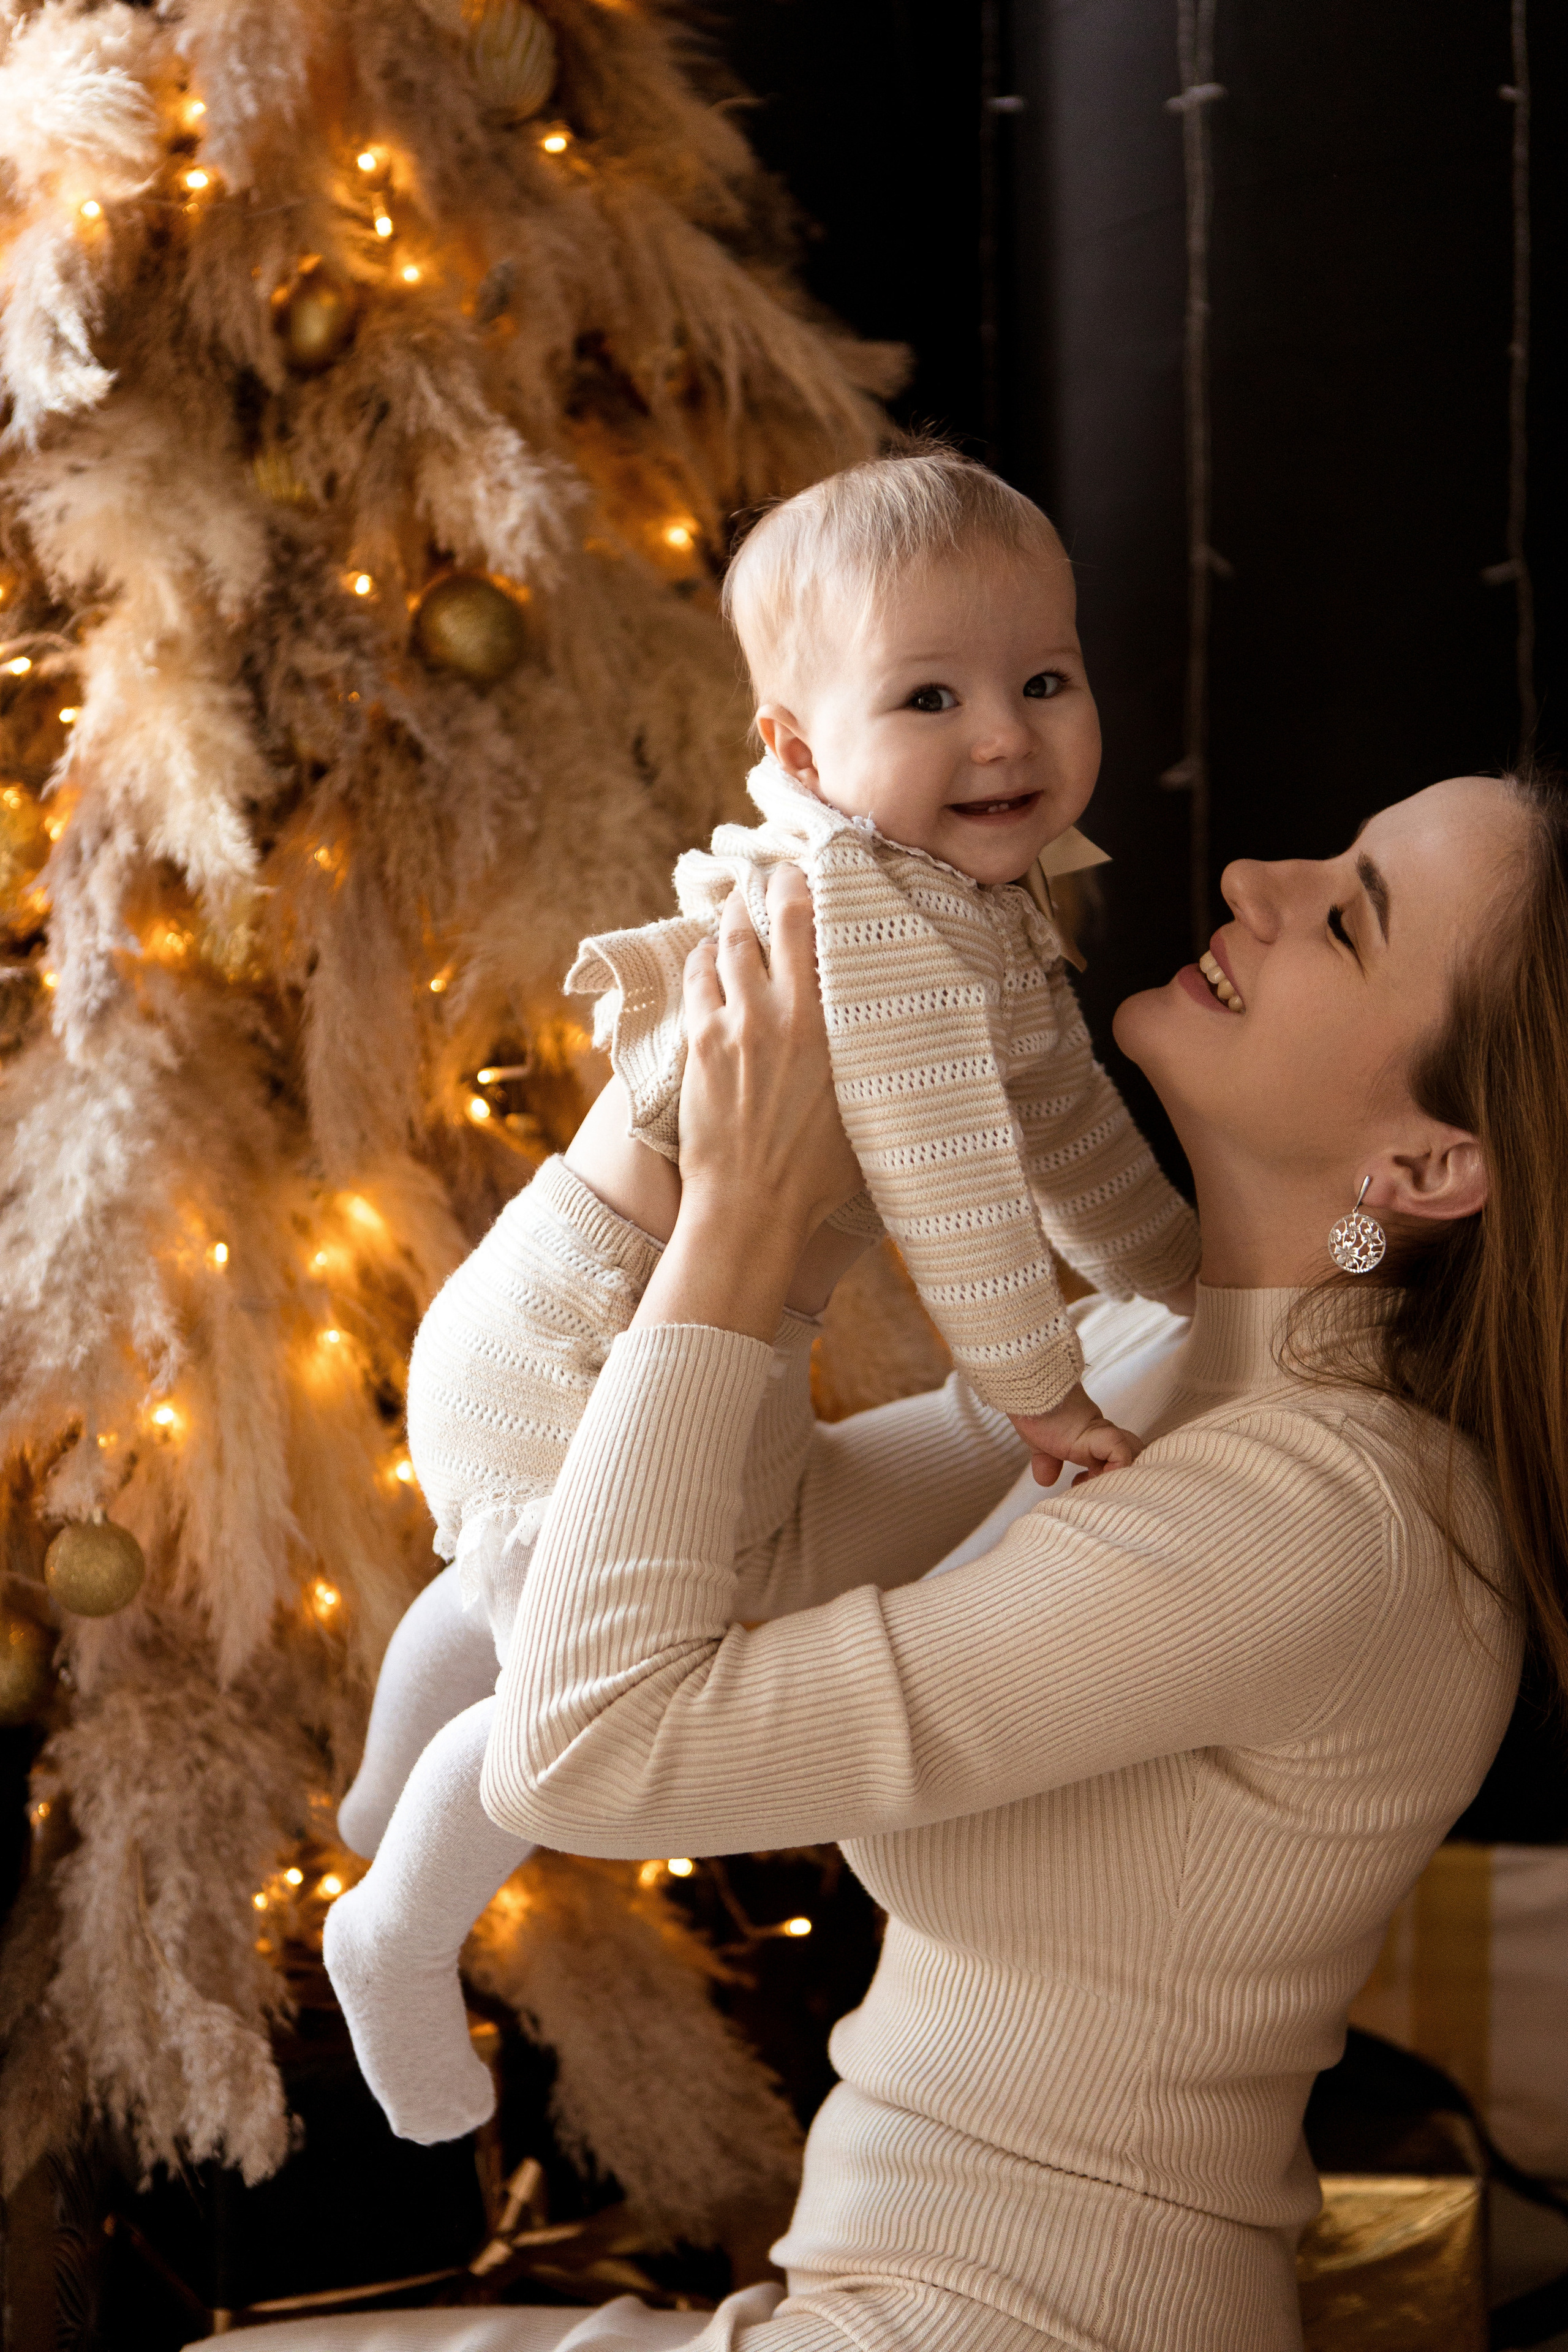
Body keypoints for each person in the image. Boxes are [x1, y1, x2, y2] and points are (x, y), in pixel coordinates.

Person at [237, 764, 1568, 2350]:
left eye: (1346, 918)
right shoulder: (1153, 1364)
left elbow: (591, 1747)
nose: (1258, 877)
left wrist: (738, 1220)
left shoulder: (1321, 1521)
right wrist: (728, 1142)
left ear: (1425, 1170)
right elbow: (756, 1560)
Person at [323, 450, 1200, 2144]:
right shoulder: (871, 911)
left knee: (524, 1577)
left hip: (646, 1357)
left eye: (1044, 680)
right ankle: (396, 1926)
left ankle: (380, 1773)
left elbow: (1070, 1130)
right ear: (801, 753)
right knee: (565, 1669)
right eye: (929, 697)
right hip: (578, 1357)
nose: (1005, 737)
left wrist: (1181, 1280)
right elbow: (955, 1185)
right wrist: (1042, 1395)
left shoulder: (980, 905)